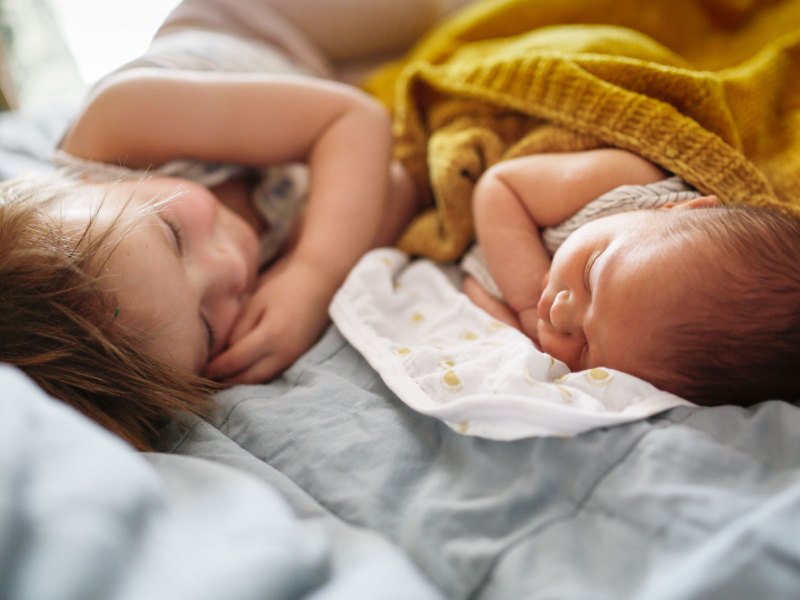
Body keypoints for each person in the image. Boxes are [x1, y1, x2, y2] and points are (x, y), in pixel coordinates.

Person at [0, 0, 479, 450]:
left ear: (88, 182)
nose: (227, 266)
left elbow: (354, 122)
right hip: (326, 80)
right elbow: (393, 185)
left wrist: (311, 275)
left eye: (173, 233)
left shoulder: (119, 120)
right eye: (208, 326)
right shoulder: (226, 310)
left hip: (270, 20)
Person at [462, 147, 800, 407]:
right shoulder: (627, 185)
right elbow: (500, 185)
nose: (558, 314)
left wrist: (521, 329)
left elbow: (475, 278)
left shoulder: (628, 344)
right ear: (678, 209)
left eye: (587, 353)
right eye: (592, 274)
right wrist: (524, 301)